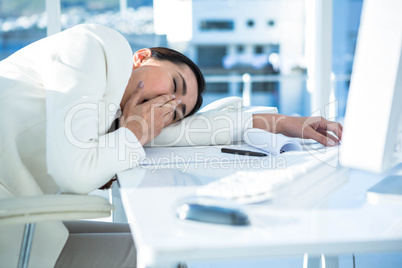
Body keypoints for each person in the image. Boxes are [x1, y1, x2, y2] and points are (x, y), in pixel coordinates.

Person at [0, 23, 342, 267]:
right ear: (142, 56)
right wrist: (133, 131)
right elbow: (73, 175)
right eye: (174, 83)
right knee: (164, 258)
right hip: (11, 228)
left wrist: (285, 123)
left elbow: (200, 129)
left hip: (20, 218)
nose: (167, 102)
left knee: (153, 242)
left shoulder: (118, 117)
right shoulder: (96, 46)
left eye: (176, 110)